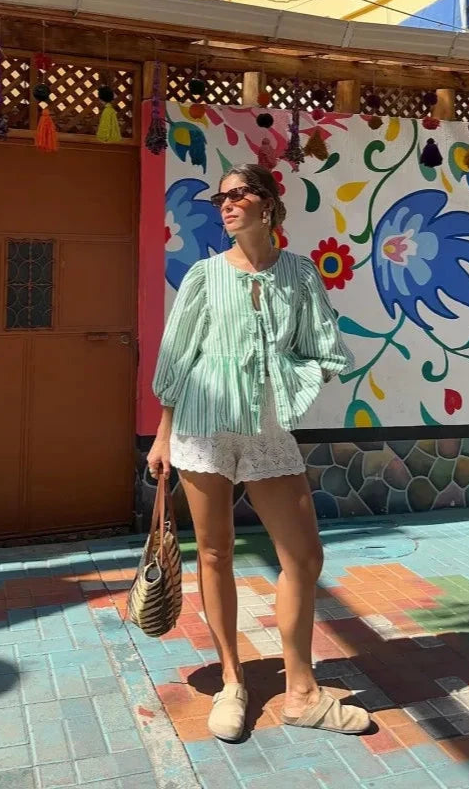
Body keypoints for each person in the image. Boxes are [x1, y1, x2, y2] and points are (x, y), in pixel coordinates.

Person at [147, 163, 371, 741]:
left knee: (303, 557)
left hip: (268, 429)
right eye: (219, 198)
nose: (225, 205)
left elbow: (322, 343)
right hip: (203, 425)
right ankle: (232, 681)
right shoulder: (203, 276)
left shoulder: (299, 273)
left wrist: (293, 378)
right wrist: (164, 434)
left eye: (238, 194)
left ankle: (302, 693)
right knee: (214, 552)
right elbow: (177, 356)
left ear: (267, 203)